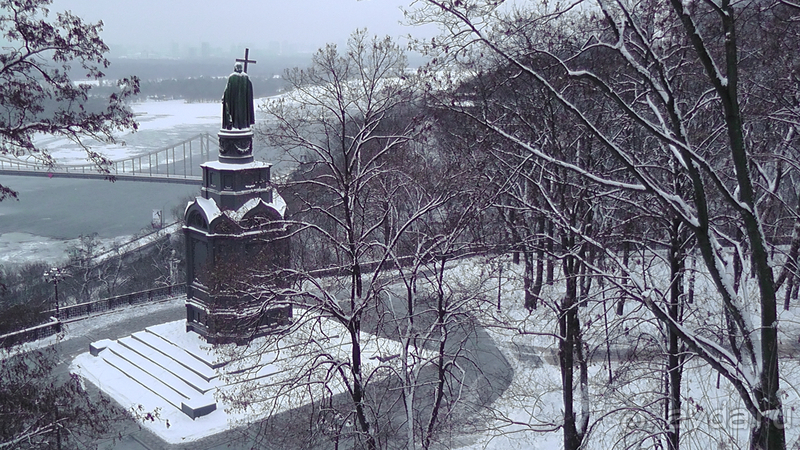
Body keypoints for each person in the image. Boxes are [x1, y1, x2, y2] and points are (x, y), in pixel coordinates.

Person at [222, 62, 254, 130]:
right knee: (242, 115)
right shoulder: (246, 77)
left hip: (234, 102)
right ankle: (243, 124)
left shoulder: (232, 77)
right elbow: (249, 91)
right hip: (243, 104)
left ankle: (233, 124)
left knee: (234, 114)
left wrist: (224, 98)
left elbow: (227, 90)